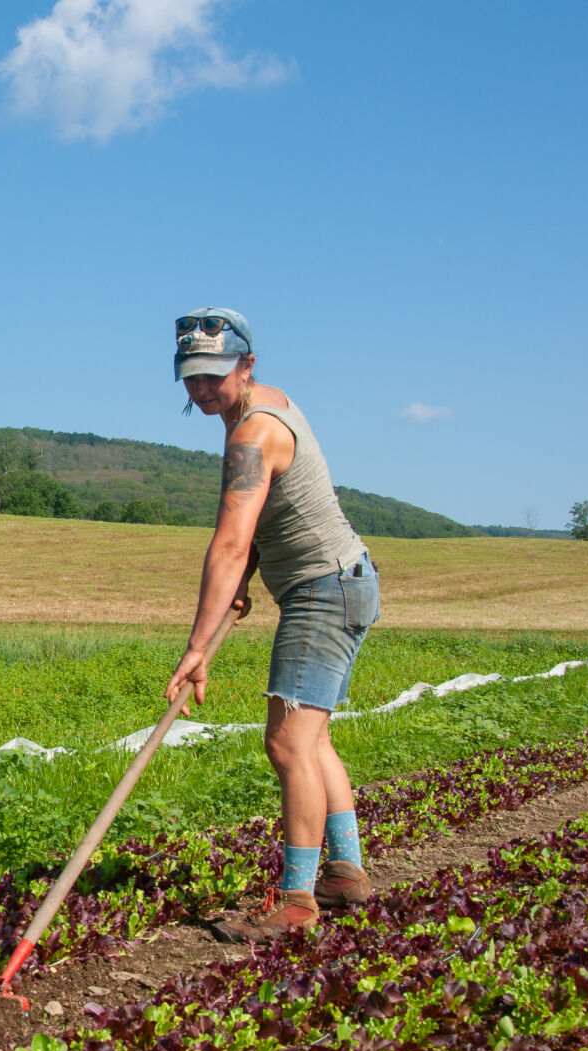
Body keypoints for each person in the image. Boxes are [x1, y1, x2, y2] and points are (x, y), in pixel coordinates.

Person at [162, 307, 381, 943]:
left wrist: (197, 646)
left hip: (325, 590)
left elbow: (229, 542)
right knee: (311, 742)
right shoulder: (261, 406)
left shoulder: (253, 433)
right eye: (190, 377)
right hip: (342, 581)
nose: (201, 389)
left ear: (246, 364)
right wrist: (253, 573)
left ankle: (298, 901)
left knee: (287, 745)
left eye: (213, 376)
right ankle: (344, 873)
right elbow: (264, 517)